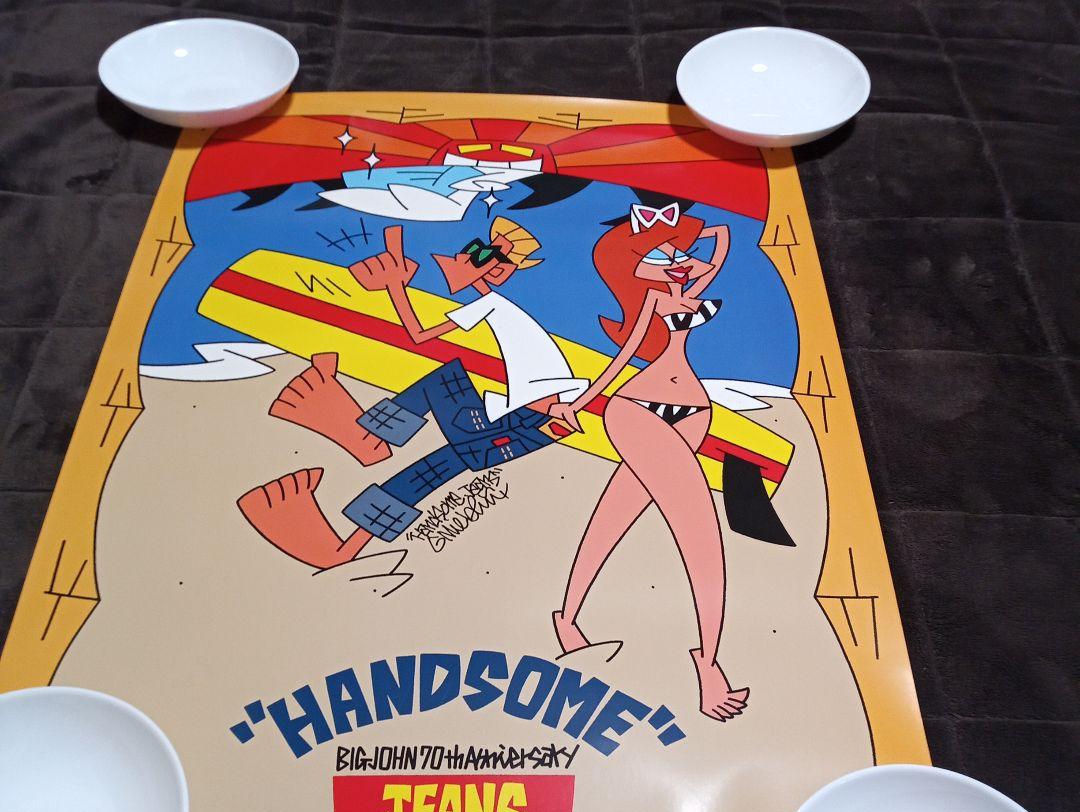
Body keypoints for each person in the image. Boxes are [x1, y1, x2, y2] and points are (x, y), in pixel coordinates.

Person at [237, 219, 585, 568]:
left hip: (520, 428)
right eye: (471, 249)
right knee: (429, 467)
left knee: (441, 403)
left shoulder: (494, 305)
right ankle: (349, 531)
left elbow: (419, 335)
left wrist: (395, 285)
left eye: (476, 254)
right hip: (520, 424)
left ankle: (366, 448)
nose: (459, 257)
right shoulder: (494, 305)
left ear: (496, 271)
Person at [548, 202, 750, 722]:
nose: (677, 263)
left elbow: (722, 242)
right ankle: (709, 662)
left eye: (679, 254)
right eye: (658, 258)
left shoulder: (691, 287)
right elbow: (623, 357)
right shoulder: (654, 299)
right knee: (698, 525)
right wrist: (579, 403)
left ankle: (567, 618)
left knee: (612, 518)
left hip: (694, 412)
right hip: (637, 407)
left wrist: (681, 233)